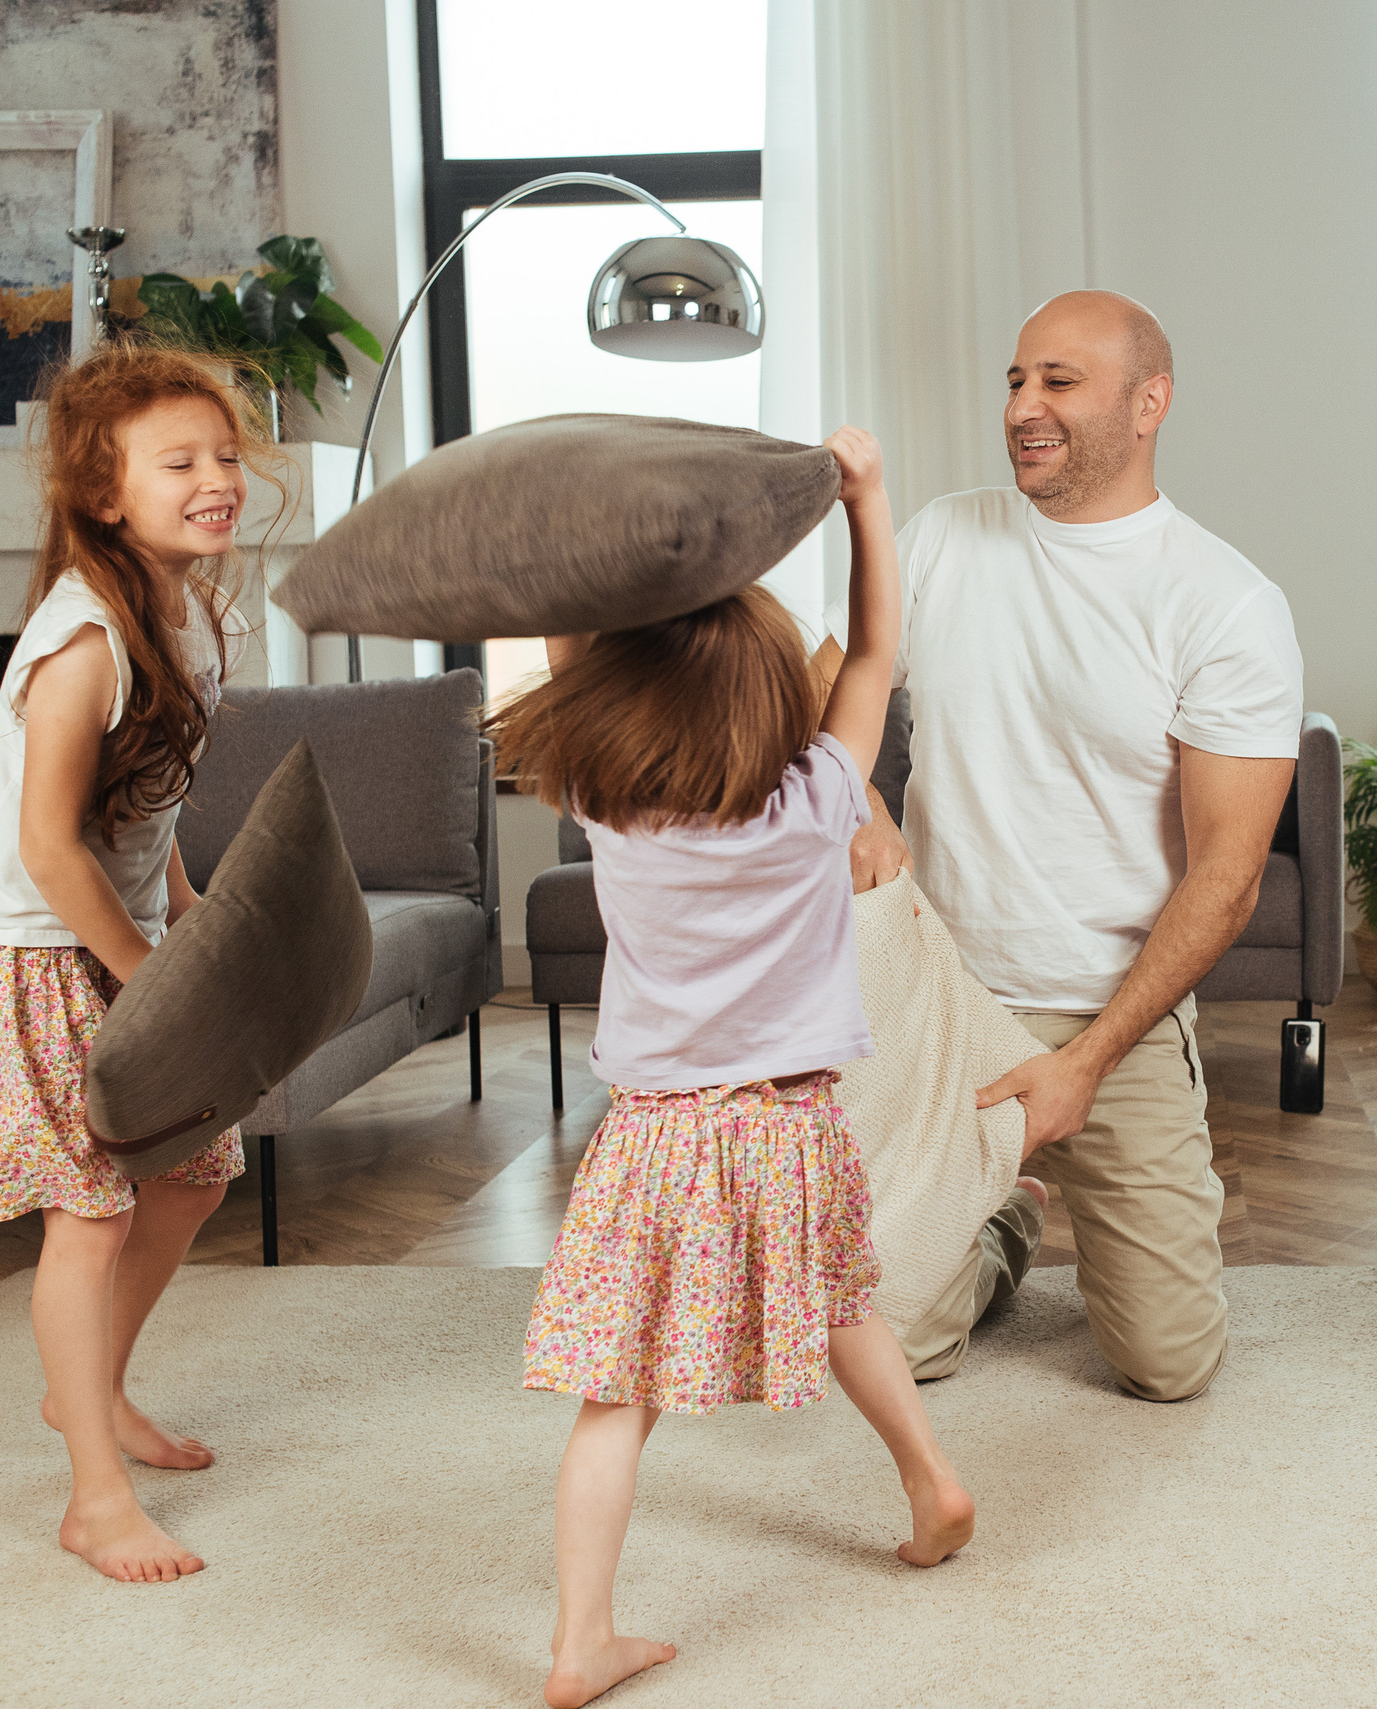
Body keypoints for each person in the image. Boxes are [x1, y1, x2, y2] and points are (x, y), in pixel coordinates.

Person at [507, 428, 974, 1709]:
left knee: (618, 1391)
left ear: (614, 691)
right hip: (793, 1123)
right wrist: (868, 496)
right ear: (777, 691)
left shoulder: (608, 798)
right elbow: (875, 649)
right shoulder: (819, 795)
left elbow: (568, 639)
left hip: (660, 1136)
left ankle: (578, 1640)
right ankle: (931, 1477)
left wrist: (573, 525)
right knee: (840, 1303)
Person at [0, 342, 269, 1581]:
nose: (215, 479)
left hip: (107, 939)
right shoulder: (83, 637)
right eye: (179, 461)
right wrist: (145, 966)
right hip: (28, 957)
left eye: (226, 455)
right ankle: (93, 1492)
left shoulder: (186, 606)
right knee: (88, 1214)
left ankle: (92, 1392)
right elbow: (46, 847)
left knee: (190, 1174)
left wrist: (187, 916)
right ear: (103, 492)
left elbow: (140, 809)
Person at [831, 290, 1304, 1400]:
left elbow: (1227, 880)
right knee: (890, 1352)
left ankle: (1036, 1189)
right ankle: (1001, 1223)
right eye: (1014, 380)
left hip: (1114, 1016)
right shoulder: (945, 534)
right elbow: (825, 692)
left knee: (1167, 1365)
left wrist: (1084, 1064)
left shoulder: (1223, 602)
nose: (1024, 407)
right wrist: (861, 806)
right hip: (947, 1000)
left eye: (1059, 381)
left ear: (1151, 402)